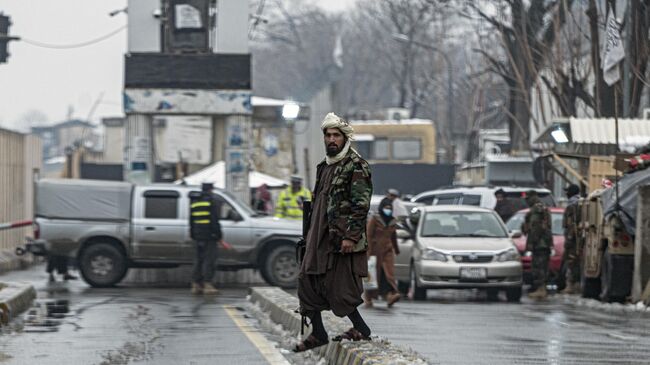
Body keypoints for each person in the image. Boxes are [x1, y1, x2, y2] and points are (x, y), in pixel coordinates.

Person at [294, 112, 373, 352]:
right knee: (307, 283)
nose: (331, 139)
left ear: (344, 138)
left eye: (336, 135)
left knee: (340, 290)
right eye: (328, 135)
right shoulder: (324, 167)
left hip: (339, 241)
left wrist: (350, 236)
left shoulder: (355, 166)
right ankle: (318, 333)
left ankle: (362, 330)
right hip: (317, 238)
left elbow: (361, 205)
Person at [364, 198, 401, 308]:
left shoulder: (393, 221)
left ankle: (390, 295)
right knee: (373, 275)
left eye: (390, 208)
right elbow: (369, 235)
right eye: (386, 208)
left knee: (388, 274)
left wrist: (396, 249)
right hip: (374, 251)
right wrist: (369, 250)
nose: (388, 210)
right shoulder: (375, 219)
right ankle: (368, 296)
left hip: (387, 251)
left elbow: (393, 236)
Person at [189, 182, 223, 295]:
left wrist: (193, 234)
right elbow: (214, 220)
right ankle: (208, 285)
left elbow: (191, 220)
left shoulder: (194, 202)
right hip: (209, 236)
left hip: (197, 236)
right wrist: (218, 235)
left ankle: (195, 285)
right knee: (209, 260)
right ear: (210, 190)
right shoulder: (211, 201)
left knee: (198, 260)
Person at [521, 190, 553, 299]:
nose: (527, 201)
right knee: (543, 266)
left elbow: (535, 228)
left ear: (532, 197)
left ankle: (541, 289)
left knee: (538, 266)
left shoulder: (536, 209)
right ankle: (541, 288)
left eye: (527, 199)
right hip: (544, 242)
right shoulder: (542, 207)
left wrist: (531, 242)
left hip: (540, 243)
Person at [561, 184, 581, 294]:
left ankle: (571, 286)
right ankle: (576, 285)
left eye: (567, 191)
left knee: (571, 262)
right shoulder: (580, 202)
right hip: (577, 238)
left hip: (573, 240)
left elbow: (571, 224)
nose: (566, 193)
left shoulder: (572, 205)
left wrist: (569, 239)